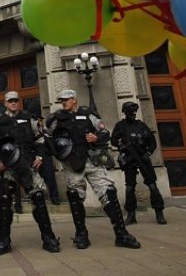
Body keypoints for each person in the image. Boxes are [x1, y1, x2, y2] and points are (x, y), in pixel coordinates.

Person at [45, 89, 140, 250]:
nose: (63, 102)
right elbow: (47, 138)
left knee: (109, 192)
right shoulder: (56, 118)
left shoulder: (89, 114)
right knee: (75, 196)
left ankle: (121, 234)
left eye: (66, 99)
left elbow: (105, 132)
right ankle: (81, 235)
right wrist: (59, 155)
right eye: (61, 100)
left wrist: (97, 138)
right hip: (72, 163)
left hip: (92, 160)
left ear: (74, 99)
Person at [0, 91, 60, 255]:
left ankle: (49, 238)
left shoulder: (29, 118)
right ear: (5, 103)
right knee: (5, 202)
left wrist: (40, 155)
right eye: (10, 101)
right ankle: (3, 241)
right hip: (9, 168)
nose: (13, 103)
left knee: (39, 198)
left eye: (15, 101)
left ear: (18, 102)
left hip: (27, 165)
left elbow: (40, 138)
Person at [111, 101, 167, 225]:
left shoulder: (141, 125)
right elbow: (113, 139)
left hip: (142, 158)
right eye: (130, 112)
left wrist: (148, 153)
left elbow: (152, 141)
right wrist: (121, 144)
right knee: (130, 187)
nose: (133, 114)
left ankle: (159, 212)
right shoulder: (121, 125)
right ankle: (131, 214)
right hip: (130, 159)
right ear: (125, 112)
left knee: (152, 185)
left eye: (134, 112)